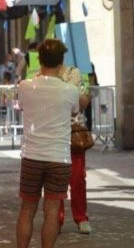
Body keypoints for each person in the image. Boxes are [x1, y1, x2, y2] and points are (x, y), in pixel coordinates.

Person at [16, 39, 79, 248]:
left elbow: (23, 107)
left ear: (39, 59)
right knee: (51, 211)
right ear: (61, 63)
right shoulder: (70, 90)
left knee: (27, 209)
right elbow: (75, 110)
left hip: (32, 156)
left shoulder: (25, 87)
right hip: (59, 157)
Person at [57, 63, 92, 234]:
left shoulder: (74, 73)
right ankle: (57, 218)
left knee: (78, 178)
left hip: (73, 134)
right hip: (53, 134)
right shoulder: (41, 76)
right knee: (55, 180)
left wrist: (73, 90)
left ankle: (81, 217)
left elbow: (85, 101)